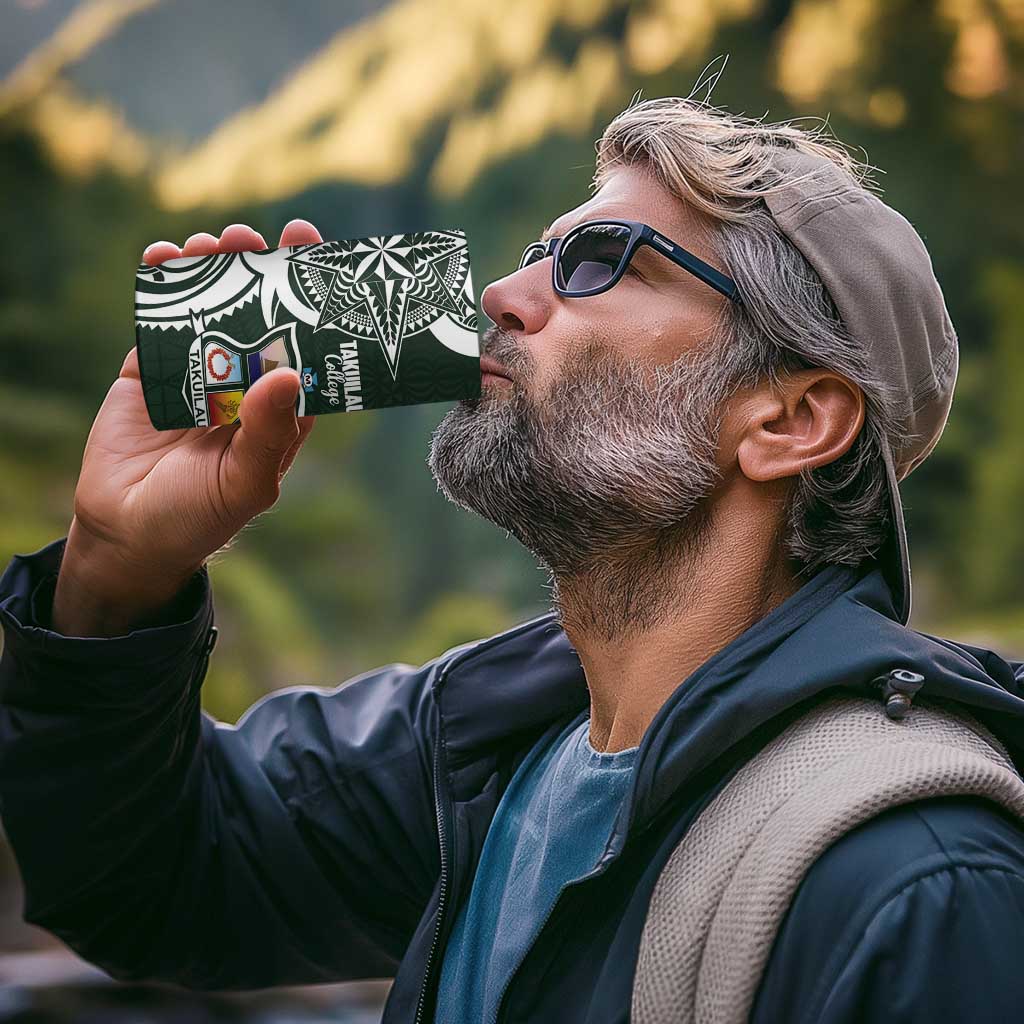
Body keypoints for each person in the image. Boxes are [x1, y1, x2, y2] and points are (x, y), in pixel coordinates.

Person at [2, 94, 1024, 1024]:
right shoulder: (480, 749)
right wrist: (115, 572)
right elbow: (149, 880)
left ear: (790, 419)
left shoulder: (918, 884)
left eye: (599, 261)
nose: (501, 291)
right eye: (539, 252)